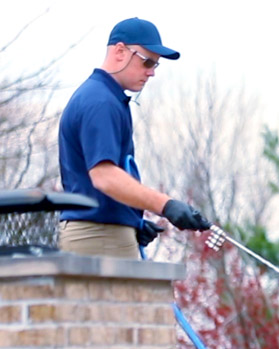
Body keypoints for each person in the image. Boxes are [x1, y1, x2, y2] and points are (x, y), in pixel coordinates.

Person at [58, 17, 210, 259]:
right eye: (147, 62)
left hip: (102, 233)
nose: (151, 73)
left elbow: (95, 186)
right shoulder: (100, 101)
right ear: (120, 51)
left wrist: (131, 220)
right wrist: (166, 205)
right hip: (99, 236)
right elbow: (104, 177)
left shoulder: (104, 96)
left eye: (155, 65)